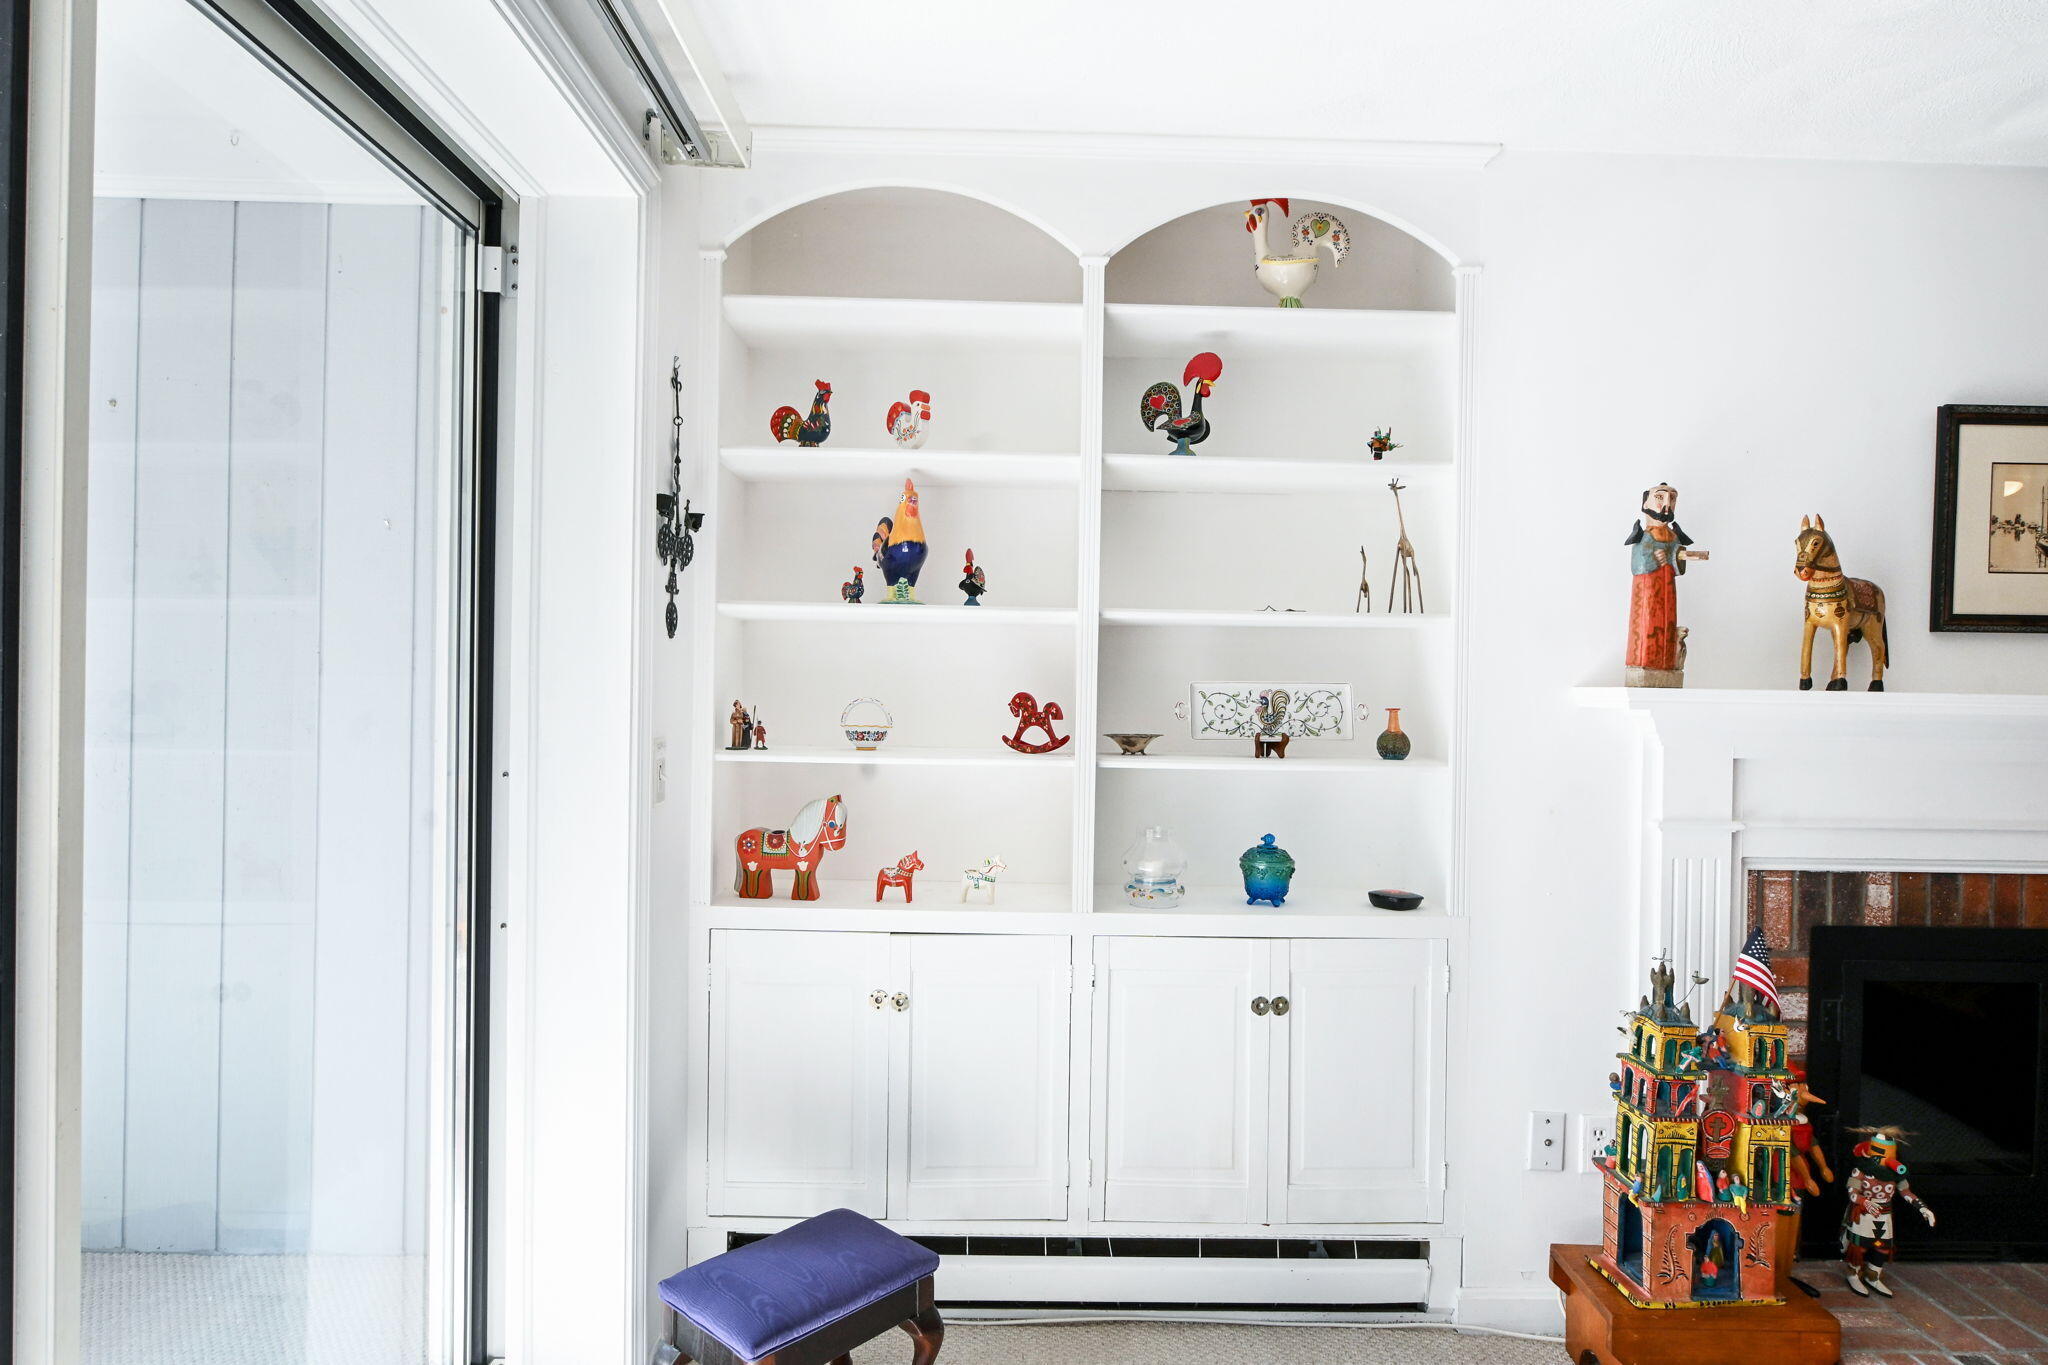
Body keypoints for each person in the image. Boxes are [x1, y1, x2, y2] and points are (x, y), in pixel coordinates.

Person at [1624, 483, 1707, 685]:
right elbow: (1638, 564)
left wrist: (1677, 556)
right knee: (1647, 628)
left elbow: (1678, 560)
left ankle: (1667, 663)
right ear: (1646, 503)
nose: (1667, 504)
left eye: (1672, 499)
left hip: (1667, 591)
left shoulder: (1673, 536)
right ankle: (1645, 662)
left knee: (1668, 626)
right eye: (1660, 498)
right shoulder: (1644, 536)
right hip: (1648, 592)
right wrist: (1655, 558)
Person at [1840, 1126, 1935, 1298]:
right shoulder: (1861, 1169)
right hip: (1863, 1213)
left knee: (1882, 1248)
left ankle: (1872, 1275)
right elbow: (1852, 1192)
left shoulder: (1896, 1173)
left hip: (1884, 1214)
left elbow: (1906, 1192)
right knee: (1859, 1248)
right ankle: (1853, 1274)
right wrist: (1864, 1201)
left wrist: (1922, 1208)